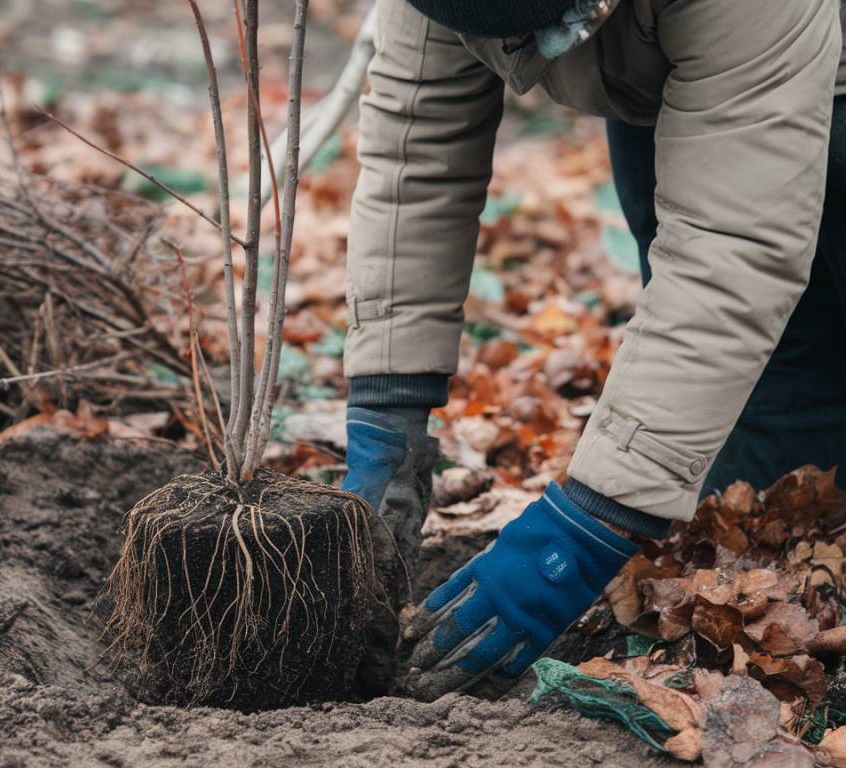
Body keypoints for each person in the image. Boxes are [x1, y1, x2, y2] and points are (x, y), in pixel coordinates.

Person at [340, 0, 846, 700]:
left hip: (798, 60)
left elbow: (732, 253)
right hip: (660, 65)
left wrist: (580, 535)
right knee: (768, 466)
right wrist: (384, 417)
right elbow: (414, 155)